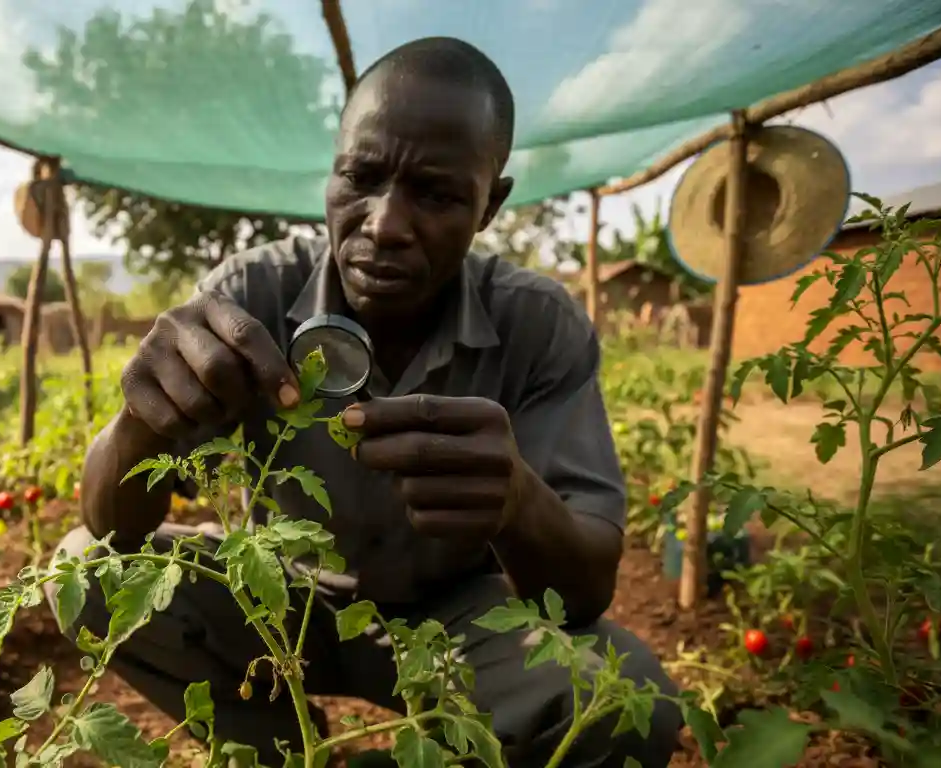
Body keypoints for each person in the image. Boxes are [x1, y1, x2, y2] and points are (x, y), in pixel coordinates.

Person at [50, 36, 681, 768]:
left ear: (490, 205)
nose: (384, 224)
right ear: (334, 169)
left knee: (626, 698)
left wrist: (517, 503)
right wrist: (138, 424)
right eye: (362, 177)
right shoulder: (248, 298)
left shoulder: (536, 325)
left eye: (438, 194)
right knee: (86, 575)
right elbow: (108, 525)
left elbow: (585, 592)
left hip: (458, 618)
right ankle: (284, 756)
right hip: (281, 602)